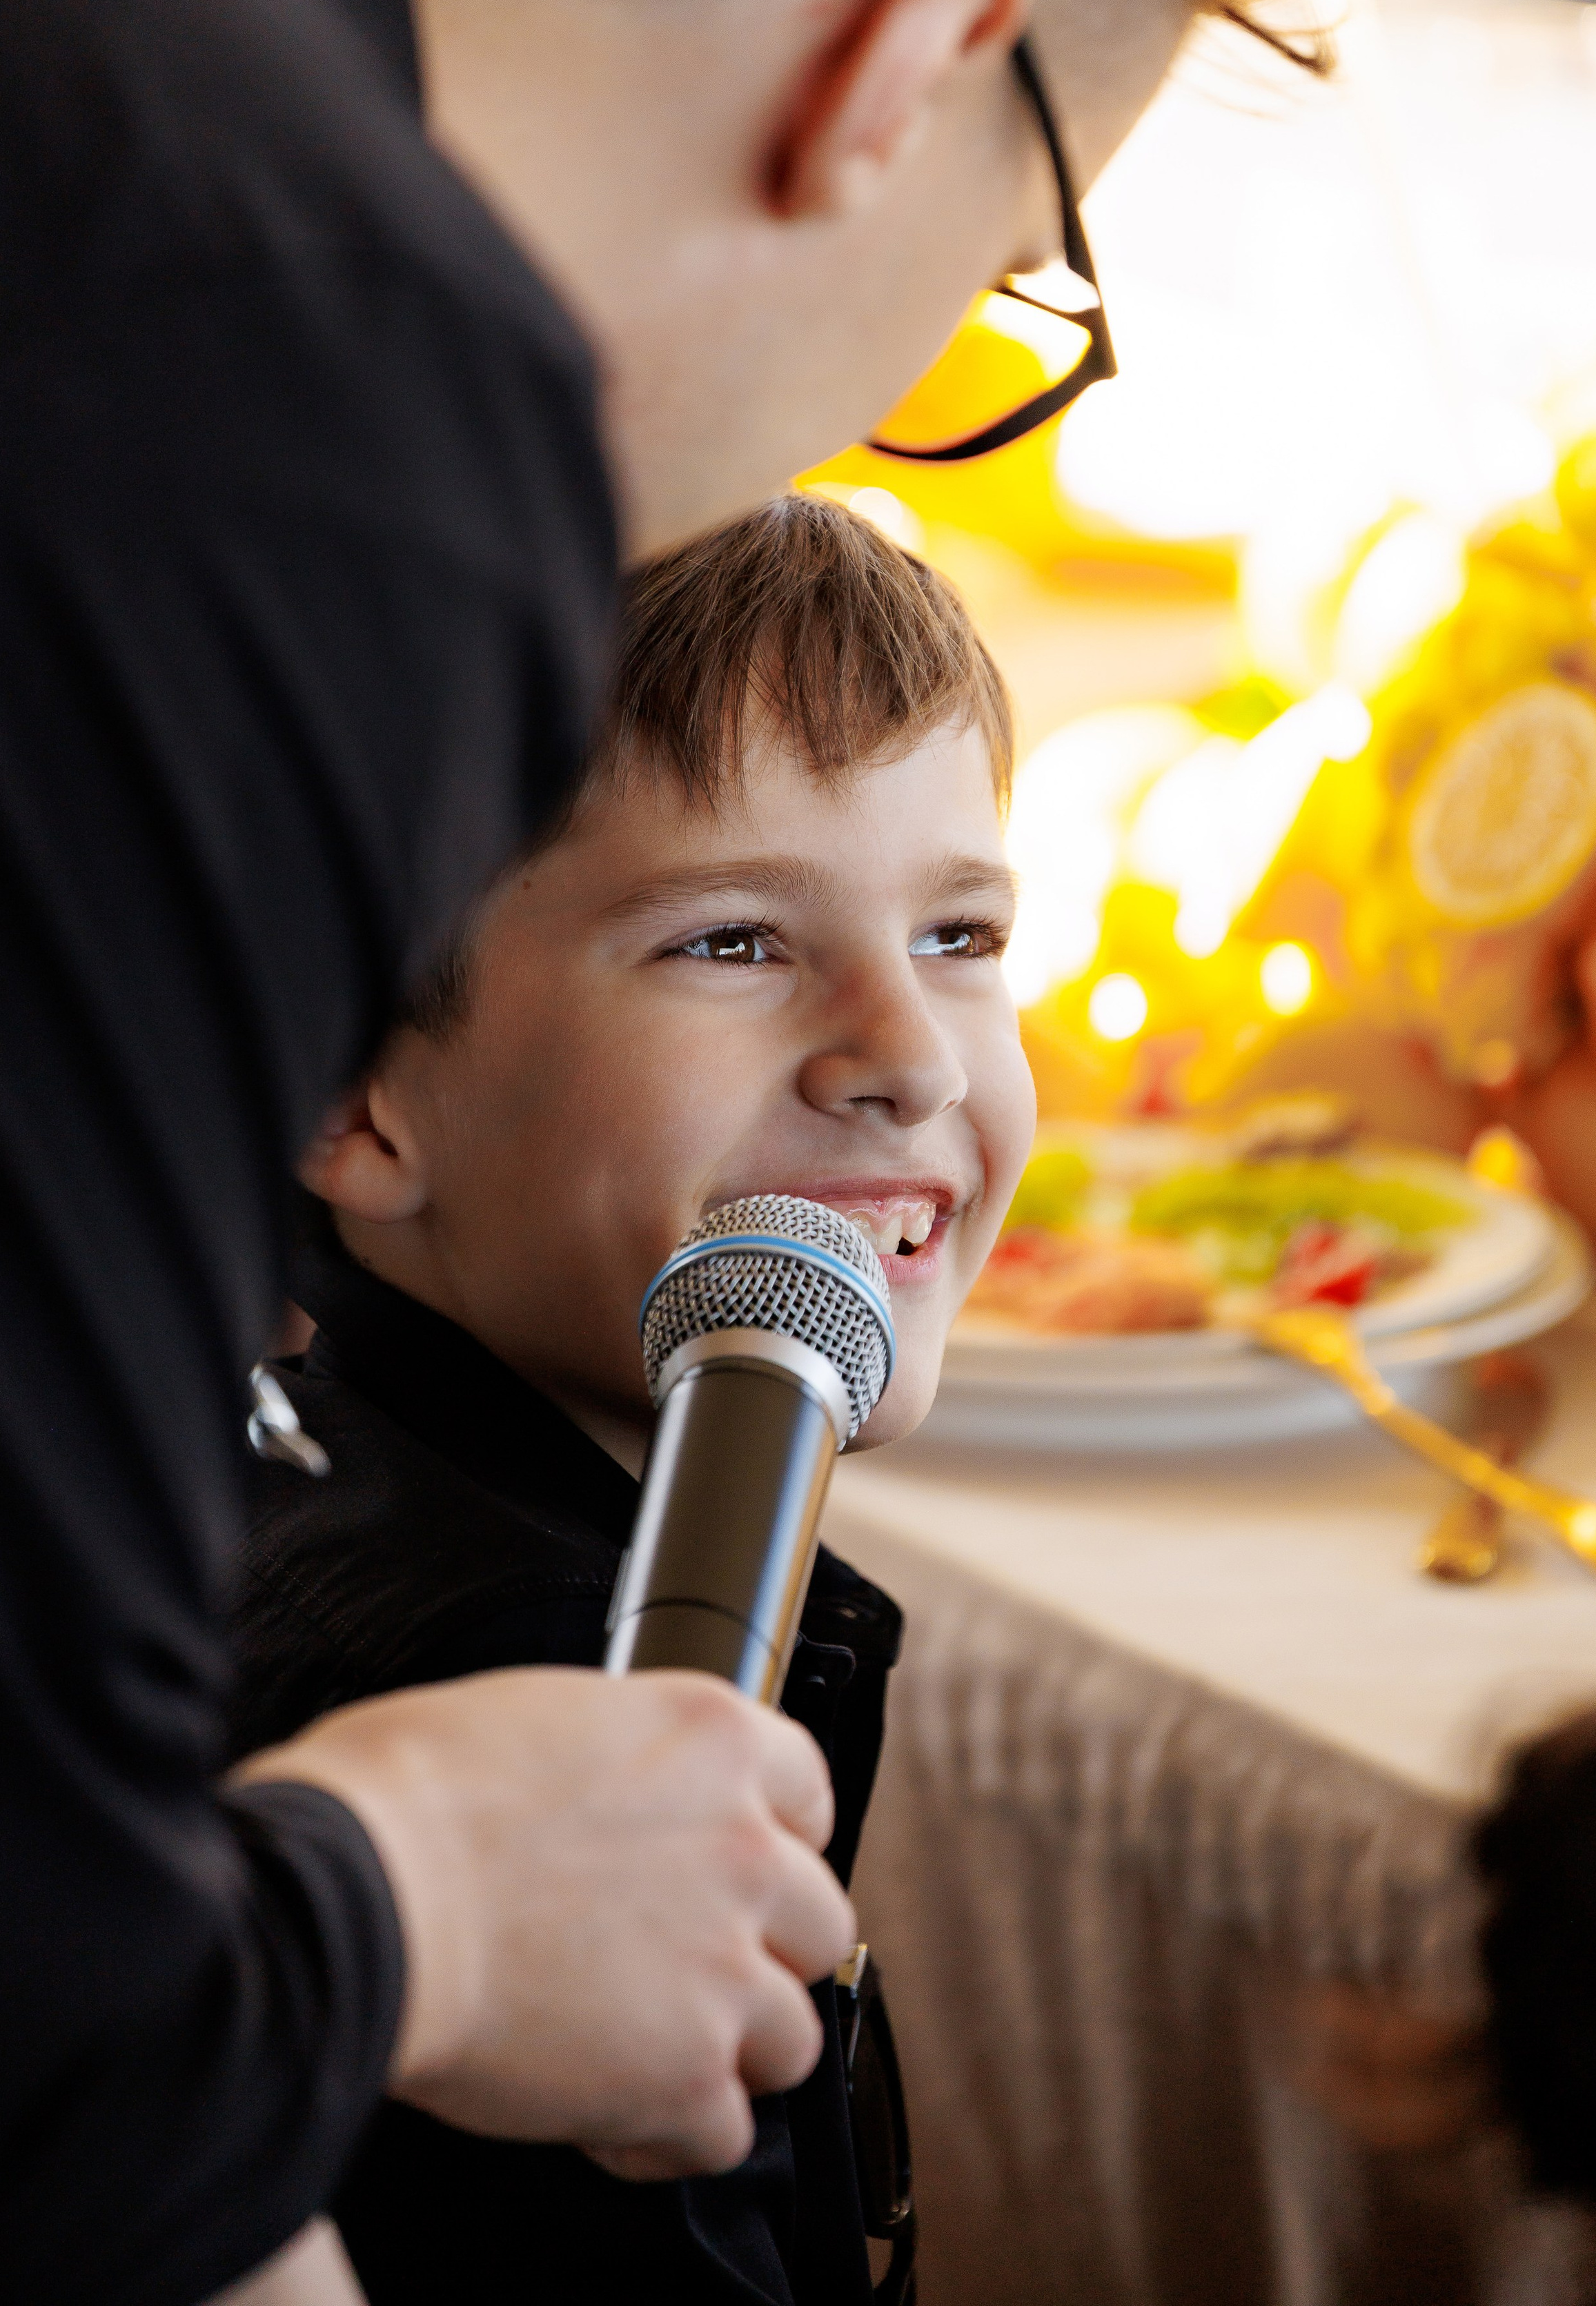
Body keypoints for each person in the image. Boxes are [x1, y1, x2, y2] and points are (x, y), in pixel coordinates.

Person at [0, 0, 1397, 2297]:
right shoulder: (261, 397)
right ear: (910, 64)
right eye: (1023, 254)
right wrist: (430, 1906)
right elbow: (3, 2038)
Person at [237, 492, 1034, 2303]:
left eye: (962, 938)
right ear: (350, 1093)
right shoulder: (517, 1719)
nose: (908, 1055)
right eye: (734, 942)